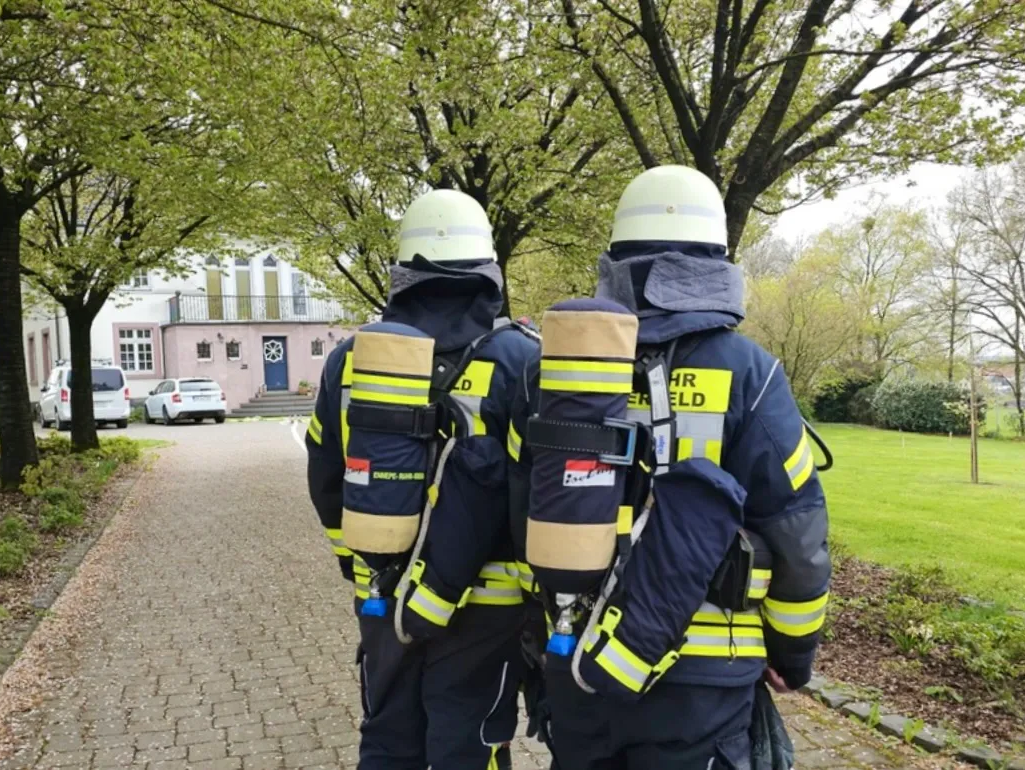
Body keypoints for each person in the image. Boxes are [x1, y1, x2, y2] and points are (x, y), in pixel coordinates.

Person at [507, 165, 831, 769]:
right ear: (716, 260)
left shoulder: (551, 369)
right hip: (703, 684)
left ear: (615, 261)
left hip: (577, 656)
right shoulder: (749, 373)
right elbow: (798, 531)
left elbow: (516, 506)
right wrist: (793, 655)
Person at [306, 188, 540, 769]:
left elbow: (324, 473)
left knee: (387, 738)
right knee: (471, 745)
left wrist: (356, 560)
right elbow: (530, 492)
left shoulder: (351, 358)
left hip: (383, 590)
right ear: (488, 271)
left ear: (402, 272)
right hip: (487, 607)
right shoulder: (520, 360)